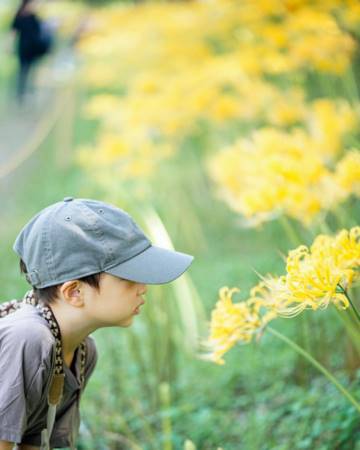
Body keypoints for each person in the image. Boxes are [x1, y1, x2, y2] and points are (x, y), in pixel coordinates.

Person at [0, 197, 194, 449]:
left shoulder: (81, 352)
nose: (143, 288)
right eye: (129, 277)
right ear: (74, 292)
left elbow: (34, 443)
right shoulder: (27, 338)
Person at [11, 0, 54, 103]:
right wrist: (10, 46)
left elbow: (41, 31)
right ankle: (20, 93)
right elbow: (13, 32)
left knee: (32, 71)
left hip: (33, 48)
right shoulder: (19, 17)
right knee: (23, 71)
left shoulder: (34, 17)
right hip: (24, 47)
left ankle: (29, 92)